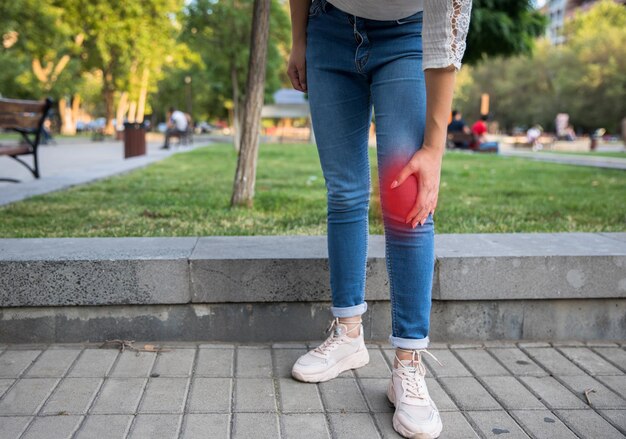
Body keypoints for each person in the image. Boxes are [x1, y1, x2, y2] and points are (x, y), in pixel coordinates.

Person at [287, 1, 471, 438]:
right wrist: (298, 40)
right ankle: (349, 336)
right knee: (345, 192)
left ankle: (408, 363)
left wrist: (434, 149)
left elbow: (446, 33)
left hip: (409, 38)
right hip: (326, 32)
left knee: (407, 200)